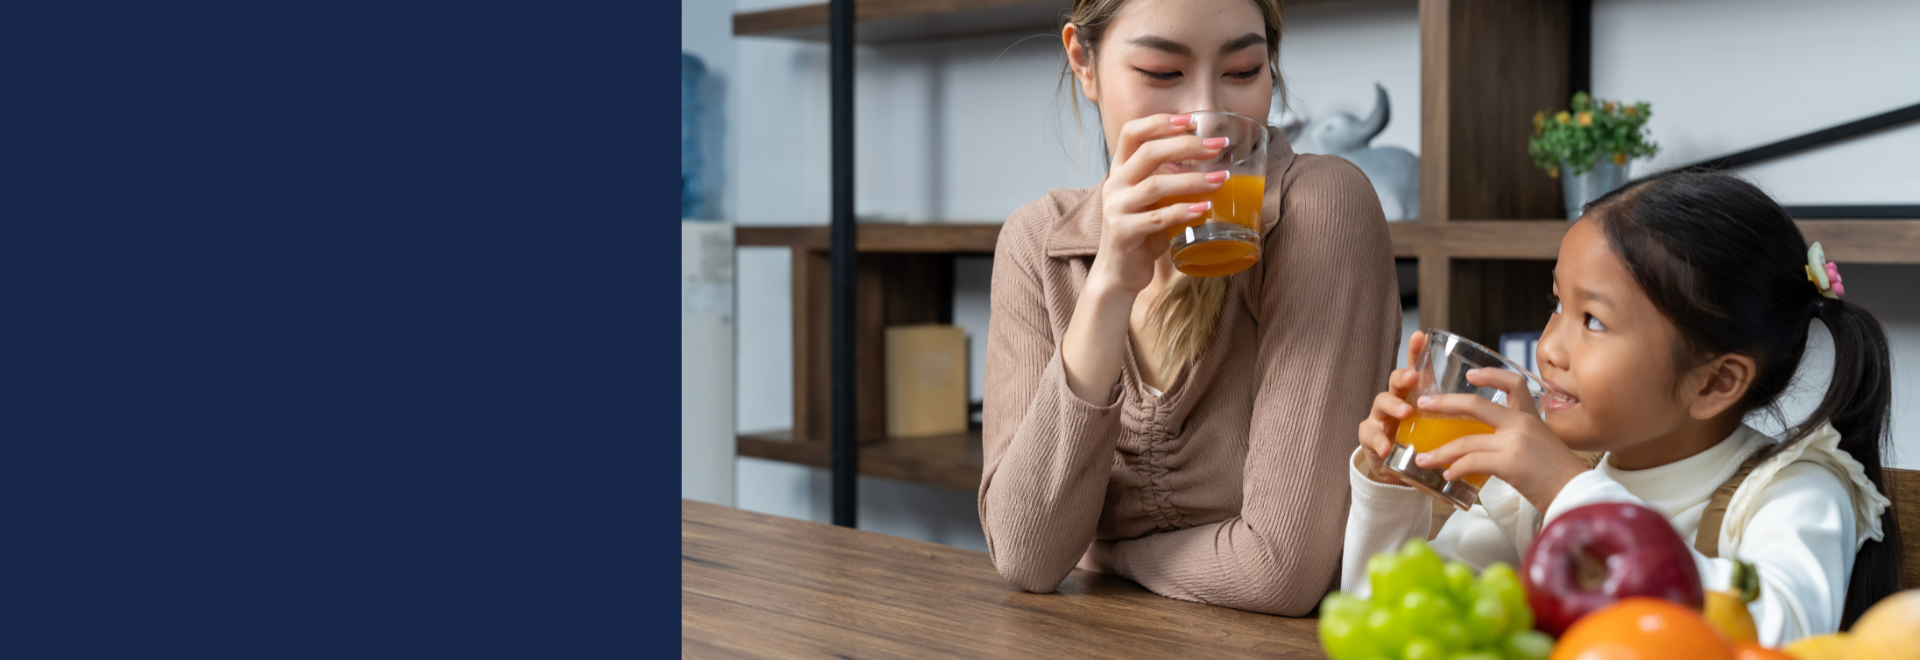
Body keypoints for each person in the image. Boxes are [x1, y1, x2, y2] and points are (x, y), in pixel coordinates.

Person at [1346, 170, 1904, 644]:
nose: (1547, 348)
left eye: (1592, 320)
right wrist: (1391, 488)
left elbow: (1781, 636)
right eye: (1557, 303)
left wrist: (1566, 491)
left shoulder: (1791, 491)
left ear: (1715, 383)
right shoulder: (1551, 486)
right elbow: (1386, 621)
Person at [979, 0, 1401, 615]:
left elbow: (1280, 572)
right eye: (1161, 72)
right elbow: (1027, 556)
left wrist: (1106, 553)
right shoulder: (1036, 242)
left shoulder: (1323, 207)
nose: (1211, 118)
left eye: (1243, 70)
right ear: (1084, 62)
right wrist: (1108, 286)